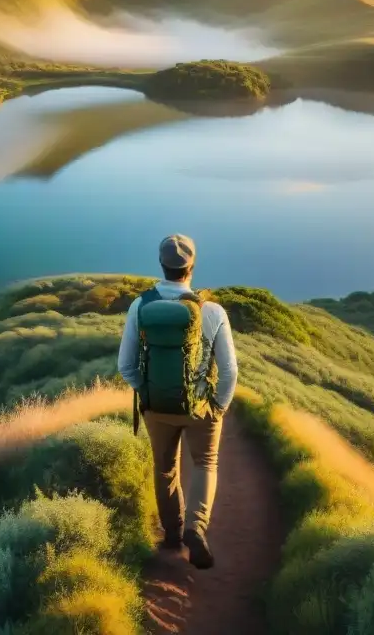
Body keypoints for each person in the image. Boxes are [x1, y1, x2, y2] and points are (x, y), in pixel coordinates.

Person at [117, 234, 238, 569]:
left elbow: (125, 365)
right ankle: (196, 528)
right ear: (192, 266)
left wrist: (148, 391)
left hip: (157, 408)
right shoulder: (212, 311)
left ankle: (172, 534)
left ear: (162, 265)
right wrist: (219, 406)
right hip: (201, 409)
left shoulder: (140, 306)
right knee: (204, 463)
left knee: (165, 468)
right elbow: (229, 370)